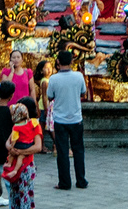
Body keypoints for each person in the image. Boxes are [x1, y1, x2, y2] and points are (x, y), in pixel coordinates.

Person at [46, 49, 88, 190]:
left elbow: (50, 96)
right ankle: (81, 180)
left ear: (58, 62)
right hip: (76, 118)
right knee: (78, 151)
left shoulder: (53, 79)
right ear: (72, 61)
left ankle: (65, 182)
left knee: (62, 152)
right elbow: (83, 93)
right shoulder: (78, 77)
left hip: (60, 120)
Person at [2, 103, 42, 207]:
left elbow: (38, 147)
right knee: (15, 195)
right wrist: (11, 148)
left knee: (25, 195)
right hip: (16, 164)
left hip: (26, 165)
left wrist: (20, 152)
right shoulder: (18, 126)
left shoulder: (34, 125)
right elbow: (8, 142)